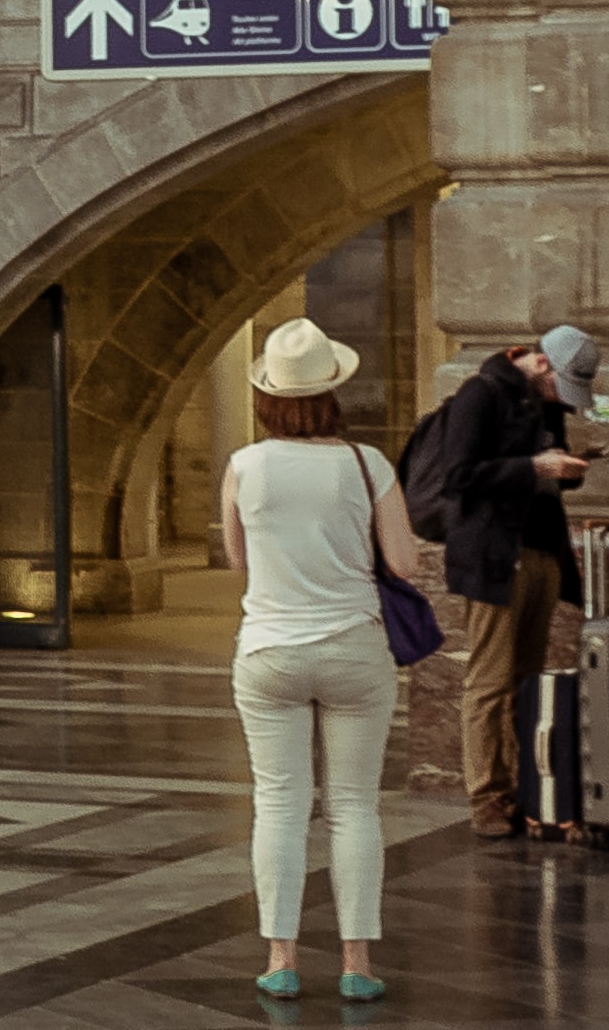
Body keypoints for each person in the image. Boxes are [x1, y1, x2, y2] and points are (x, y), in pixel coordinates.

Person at [222, 318, 444, 1002]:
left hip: (267, 651)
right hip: (352, 648)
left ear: (267, 397)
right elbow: (404, 563)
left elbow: (237, 559)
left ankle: (280, 957)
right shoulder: (366, 463)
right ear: (332, 393)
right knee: (353, 806)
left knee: (280, 804)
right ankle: (356, 967)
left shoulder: (244, 465)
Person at [408, 321, 596, 837]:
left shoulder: (544, 403)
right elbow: (458, 476)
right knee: (490, 680)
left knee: (527, 679)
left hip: (539, 550)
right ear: (540, 364)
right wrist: (534, 466)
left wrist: (569, 470)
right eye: (563, 386)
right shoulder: (480, 394)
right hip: (494, 554)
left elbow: (542, 469)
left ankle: (527, 791)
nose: (565, 399)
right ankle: (486, 796)